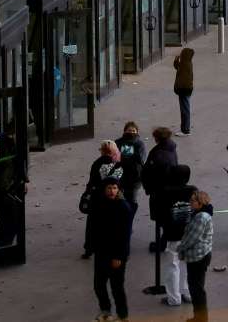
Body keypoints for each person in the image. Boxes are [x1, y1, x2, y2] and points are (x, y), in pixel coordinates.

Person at [90, 177, 133, 322]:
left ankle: (123, 315)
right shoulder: (99, 204)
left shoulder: (123, 207)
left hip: (116, 254)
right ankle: (106, 311)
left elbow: (125, 236)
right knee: (99, 285)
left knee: (117, 287)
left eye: (114, 188)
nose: (112, 191)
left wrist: (119, 256)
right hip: (101, 252)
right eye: (109, 188)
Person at [157, 165, 195, 307]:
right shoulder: (192, 190)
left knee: (173, 265)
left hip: (173, 234)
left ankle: (174, 298)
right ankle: (188, 293)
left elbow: (160, 214)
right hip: (190, 234)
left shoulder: (165, 192)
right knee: (188, 265)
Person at [177, 190, 214, 322]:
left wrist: (180, 249)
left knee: (197, 289)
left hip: (198, 257)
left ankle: (201, 317)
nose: (190, 203)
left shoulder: (201, 217)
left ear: (200, 203)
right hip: (199, 255)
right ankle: (199, 316)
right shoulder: (197, 214)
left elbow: (191, 238)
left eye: (193, 201)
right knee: (196, 287)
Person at [84, 141, 124, 259]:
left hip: (97, 197)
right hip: (113, 198)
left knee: (92, 224)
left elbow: (92, 180)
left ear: (102, 150)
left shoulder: (97, 163)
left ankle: (89, 248)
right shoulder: (117, 164)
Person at [114, 122, 146, 206]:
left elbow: (142, 160)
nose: (131, 132)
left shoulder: (139, 144)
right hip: (120, 174)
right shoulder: (118, 142)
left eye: (133, 131)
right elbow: (113, 157)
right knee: (119, 197)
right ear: (124, 131)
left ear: (137, 132)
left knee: (132, 198)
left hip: (135, 175)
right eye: (129, 130)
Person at [173, 47, 195, 135]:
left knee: (185, 110)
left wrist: (178, 89)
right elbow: (177, 67)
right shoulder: (186, 63)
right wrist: (176, 60)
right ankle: (184, 129)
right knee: (184, 109)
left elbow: (183, 80)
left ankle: (185, 130)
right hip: (186, 90)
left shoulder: (185, 65)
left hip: (184, 91)